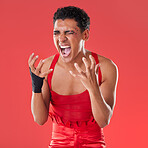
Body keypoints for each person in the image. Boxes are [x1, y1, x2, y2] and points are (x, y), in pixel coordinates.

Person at [28, 6, 118, 148]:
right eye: (56, 33)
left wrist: (93, 88)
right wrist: (36, 86)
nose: (61, 39)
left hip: (94, 144)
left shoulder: (105, 68)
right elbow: (39, 119)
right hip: (58, 144)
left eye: (69, 32)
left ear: (85, 35)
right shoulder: (46, 68)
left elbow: (103, 121)